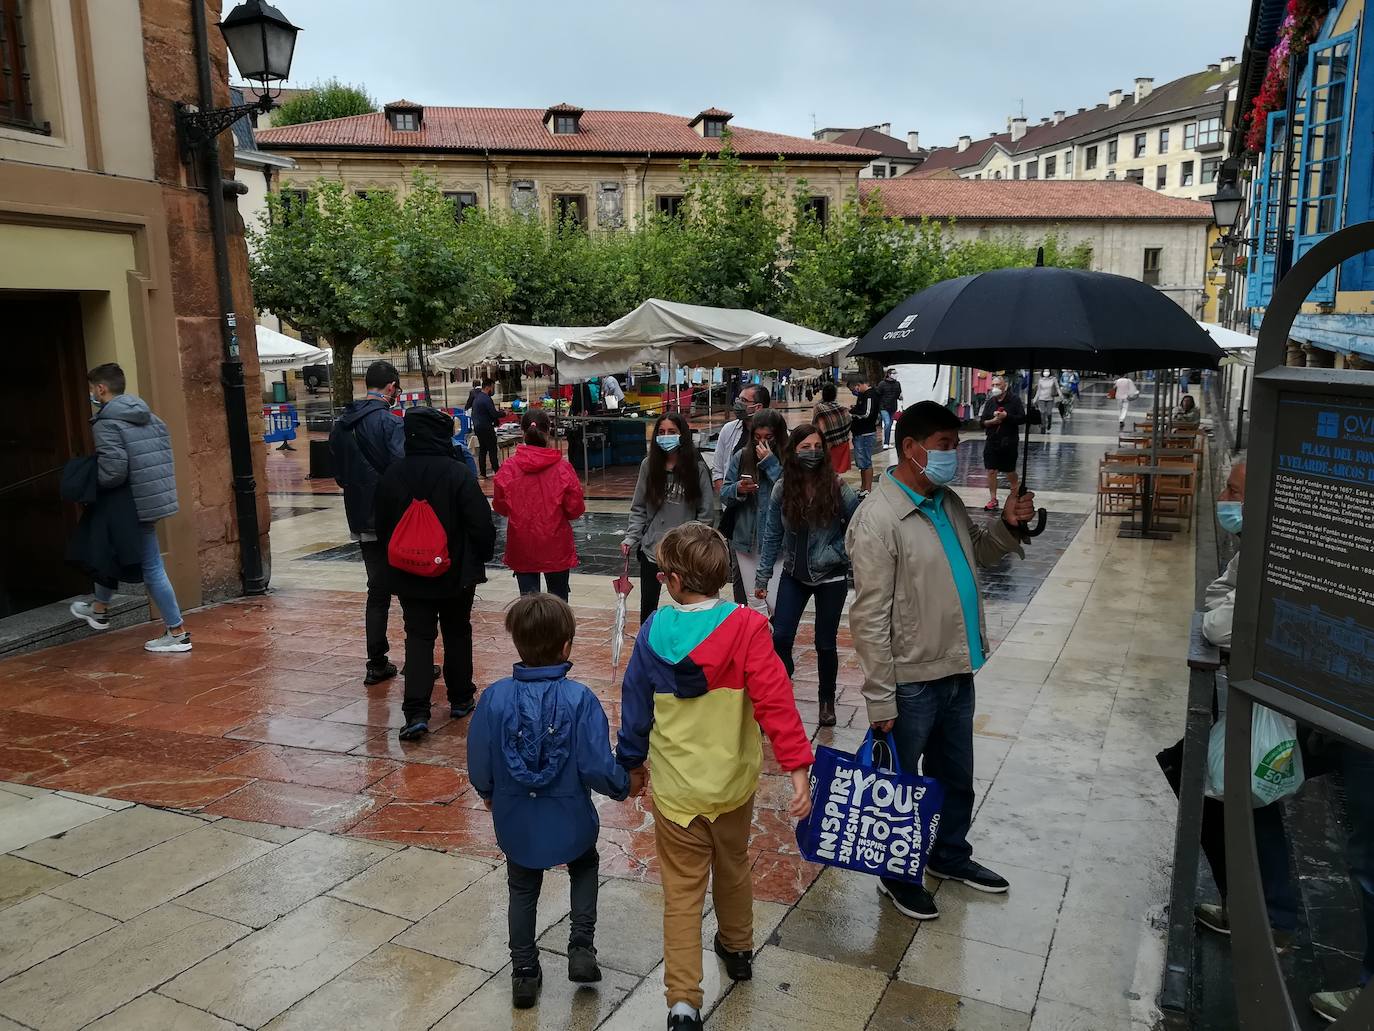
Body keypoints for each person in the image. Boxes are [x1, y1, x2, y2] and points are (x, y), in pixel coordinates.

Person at [616, 523, 813, 1031]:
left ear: (676, 581)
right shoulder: (747, 628)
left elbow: (635, 709)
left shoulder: (653, 633)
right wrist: (796, 769)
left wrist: (633, 763)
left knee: (681, 893)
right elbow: (775, 701)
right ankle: (739, 947)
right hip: (731, 786)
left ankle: (683, 1002)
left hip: (677, 791)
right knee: (734, 865)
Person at [847, 401, 1036, 919]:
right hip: (910, 679)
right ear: (912, 448)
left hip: (955, 668)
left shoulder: (944, 500)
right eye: (946, 445)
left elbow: (980, 551)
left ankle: (948, 854)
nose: (955, 453)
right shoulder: (879, 518)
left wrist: (1010, 524)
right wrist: (880, 694)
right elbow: (868, 617)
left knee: (956, 777)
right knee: (900, 786)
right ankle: (896, 873)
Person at [467, 594, 630, 1009]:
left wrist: (488, 794)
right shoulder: (580, 700)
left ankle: (523, 971)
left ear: (518, 644)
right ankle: (580, 947)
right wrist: (621, 785)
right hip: (570, 814)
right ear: (567, 646)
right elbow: (596, 764)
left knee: (522, 886)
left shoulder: (493, 698)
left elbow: (480, 759)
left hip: (516, 816)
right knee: (584, 863)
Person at [1176, 459, 1301, 953]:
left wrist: (1227, 609)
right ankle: (1263, 912)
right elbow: (1217, 597)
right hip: (1266, 698)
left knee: (1237, 795)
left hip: (1290, 704)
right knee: (1246, 799)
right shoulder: (1256, 547)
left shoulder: (1282, 553)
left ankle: (1267, 917)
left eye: (1233, 489)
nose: (1224, 496)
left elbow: (1218, 626)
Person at [374, 406, 496, 741]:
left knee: (418, 636)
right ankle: (460, 697)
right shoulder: (457, 474)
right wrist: (480, 557)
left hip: (409, 573)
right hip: (455, 573)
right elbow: (481, 524)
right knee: (457, 632)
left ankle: (415, 711)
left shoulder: (393, 474)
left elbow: (382, 525)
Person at [68, 363, 191, 653]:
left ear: (101, 389)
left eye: (91, 390)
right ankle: (99, 608)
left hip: (131, 504)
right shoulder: (148, 415)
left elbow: (114, 471)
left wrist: (88, 481)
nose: (91, 395)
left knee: (151, 568)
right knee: (109, 548)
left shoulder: (107, 422)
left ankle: (177, 632)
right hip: (152, 499)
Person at [756, 425, 861, 727]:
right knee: (781, 638)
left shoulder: (839, 487)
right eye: (805, 447)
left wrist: (833, 553)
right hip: (793, 575)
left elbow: (860, 529)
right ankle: (778, 698)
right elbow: (772, 536)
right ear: (793, 451)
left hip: (831, 578)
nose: (812, 452)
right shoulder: (782, 488)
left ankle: (827, 700)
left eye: (817, 446)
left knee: (825, 643)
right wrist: (762, 579)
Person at [329, 360, 406, 683]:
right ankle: (418, 659)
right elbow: (403, 470)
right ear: (391, 387)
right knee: (411, 591)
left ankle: (376, 661)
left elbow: (340, 476)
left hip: (361, 518)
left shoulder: (341, 425)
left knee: (377, 590)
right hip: (393, 519)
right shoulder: (389, 423)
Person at [622, 412, 714, 623]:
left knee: (689, 605)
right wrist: (631, 537)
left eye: (672, 432)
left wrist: (694, 546)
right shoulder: (648, 466)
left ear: (682, 435)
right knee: (648, 608)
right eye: (661, 432)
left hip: (683, 553)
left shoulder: (697, 469)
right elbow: (639, 508)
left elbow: (706, 514)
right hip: (652, 549)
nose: (666, 436)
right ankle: (649, 647)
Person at [493, 410, 585, 602]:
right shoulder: (562, 468)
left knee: (528, 606)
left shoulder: (509, 468)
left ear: (522, 431)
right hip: (556, 544)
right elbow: (575, 509)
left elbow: (500, 507)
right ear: (549, 431)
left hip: (522, 543)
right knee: (558, 602)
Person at [719, 410, 787, 616]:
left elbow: (793, 491)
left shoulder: (787, 457)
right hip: (746, 538)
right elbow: (724, 492)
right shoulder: (742, 456)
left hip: (778, 541)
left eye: (768, 438)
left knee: (775, 600)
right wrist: (738, 488)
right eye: (757, 438)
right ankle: (761, 643)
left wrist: (770, 463)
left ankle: (774, 637)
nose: (762, 443)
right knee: (755, 599)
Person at [978, 375, 1024, 513]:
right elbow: (982, 421)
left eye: (998, 385)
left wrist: (1007, 417)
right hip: (992, 440)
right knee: (991, 470)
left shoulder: (1014, 400)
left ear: (1005, 386)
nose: (995, 388)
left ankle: (1015, 489)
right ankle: (993, 498)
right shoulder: (990, 401)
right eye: (993, 385)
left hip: (1009, 440)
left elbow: (1022, 418)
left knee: (1009, 471)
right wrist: (991, 422)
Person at [711, 384, 767, 493]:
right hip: (733, 503)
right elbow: (718, 469)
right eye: (738, 399)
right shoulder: (728, 430)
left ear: (758, 407)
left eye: (744, 400)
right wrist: (726, 496)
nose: (738, 404)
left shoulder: (779, 432)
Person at [812, 382, 852, 474]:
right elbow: (849, 423)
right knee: (835, 474)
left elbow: (815, 426)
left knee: (825, 473)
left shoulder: (819, 408)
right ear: (835, 395)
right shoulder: (843, 409)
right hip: (841, 446)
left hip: (826, 446)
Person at [467, 378, 504, 478]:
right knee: (492, 449)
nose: (493, 390)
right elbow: (493, 413)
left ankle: (483, 473)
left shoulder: (477, 398)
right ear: (488, 387)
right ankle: (497, 470)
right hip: (486, 427)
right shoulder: (486, 399)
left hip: (478, 427)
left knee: (482, 449)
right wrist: (504, 413)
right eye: (492, 388)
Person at [849, 377, 879, 495]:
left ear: (860, 384)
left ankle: (868, 489)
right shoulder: (863, 395)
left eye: (855, 388)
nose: (855, 390)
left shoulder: (870, 395)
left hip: (866, 433)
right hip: (859, 433)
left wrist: (853, 413)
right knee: (861, 463)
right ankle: (863, 488)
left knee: (866, 462)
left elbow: (867, 413)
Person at [875, 368, 903, 448]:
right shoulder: (882, 384)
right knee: (887, 423)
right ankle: (886, 444)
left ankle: (886, 442)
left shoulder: (897, 384)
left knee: (890, 424)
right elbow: (878, 394)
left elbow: (898, 395)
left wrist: (900, 397)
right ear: (889, 374)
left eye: (896, 373)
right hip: (883, 407)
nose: (895, 374)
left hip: (893, 407)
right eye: (894, 373)